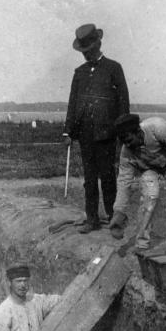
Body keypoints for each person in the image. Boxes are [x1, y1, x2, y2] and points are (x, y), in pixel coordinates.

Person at [62, 23, 130, 234]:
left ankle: (113, 220)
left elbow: (123, 101)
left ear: (97, 45)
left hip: (106, 133)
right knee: (90, 179)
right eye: (82, 52)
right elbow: (73, 102)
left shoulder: (113, 68)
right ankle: (92, 219)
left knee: (108, 177)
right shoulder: (79, 72)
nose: (85, 55)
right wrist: (68, 131)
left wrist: (122, 129)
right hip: (85, 134)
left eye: (88, 51)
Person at [109, 113, 166, 250]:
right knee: (150, 197)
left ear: (138, 132)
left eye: (129, 140)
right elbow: (124, 182)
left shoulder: (159, 129)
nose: (127, 145)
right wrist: (119, 211)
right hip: (147, 168)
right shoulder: (126, 152)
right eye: (124, 142)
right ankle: (142, 243)